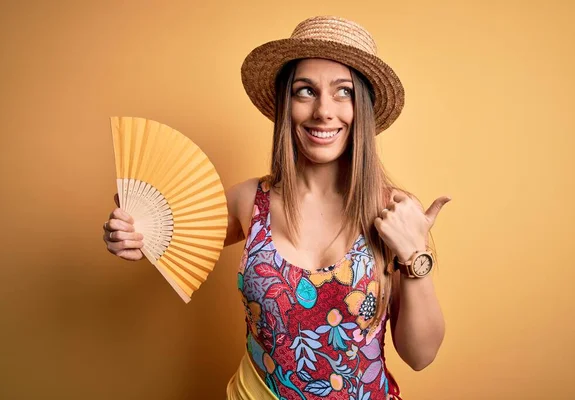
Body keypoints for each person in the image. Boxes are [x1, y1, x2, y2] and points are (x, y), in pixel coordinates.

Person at [103, 15, 450, 400]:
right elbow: (171, 232)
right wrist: (133, 231)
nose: (323, 110)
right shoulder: (249, 201)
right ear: (287, 103)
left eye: (343, 92)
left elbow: (420, 356)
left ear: (362, 110)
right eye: (305, 91)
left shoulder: (393, 210)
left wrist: (415, 256)